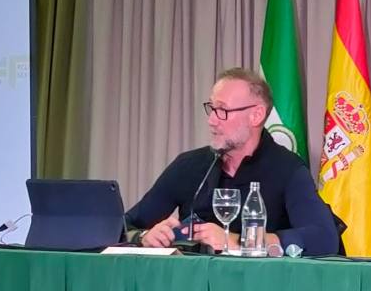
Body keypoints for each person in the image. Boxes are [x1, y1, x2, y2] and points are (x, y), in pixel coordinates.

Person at [125, 67, 340, 256]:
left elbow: (323, 238)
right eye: (211, 108)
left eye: (222, 110)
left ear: (256, 115)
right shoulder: (189, 165)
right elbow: (123, 225)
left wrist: (240, 241)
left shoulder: (288, 169)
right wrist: (144, 237)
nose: (211, 120)